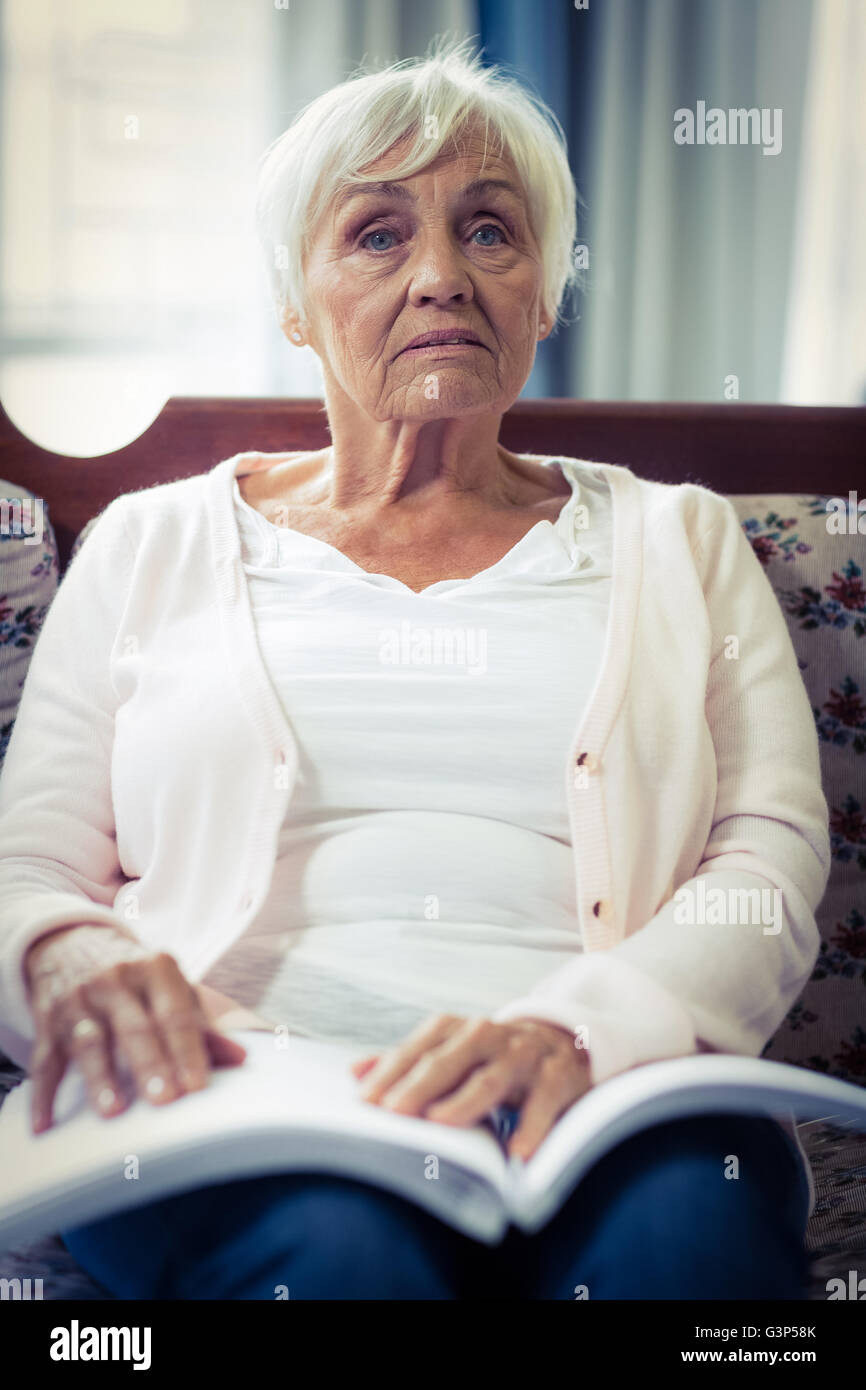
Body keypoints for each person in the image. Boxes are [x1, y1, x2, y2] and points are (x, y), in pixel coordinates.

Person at [0, 36, 828, 1300]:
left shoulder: (681, 537)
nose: (442, 274)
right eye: (377, 234)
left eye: (489, 231)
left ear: (543, 292)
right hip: (228, 1092)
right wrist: (68, 956)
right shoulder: (151, 543)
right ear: (293, 298)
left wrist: (578, 1028)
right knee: (338, 1265)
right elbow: (26, 864)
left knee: (679, 1254)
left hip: (613, 1095)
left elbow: (765, 859)